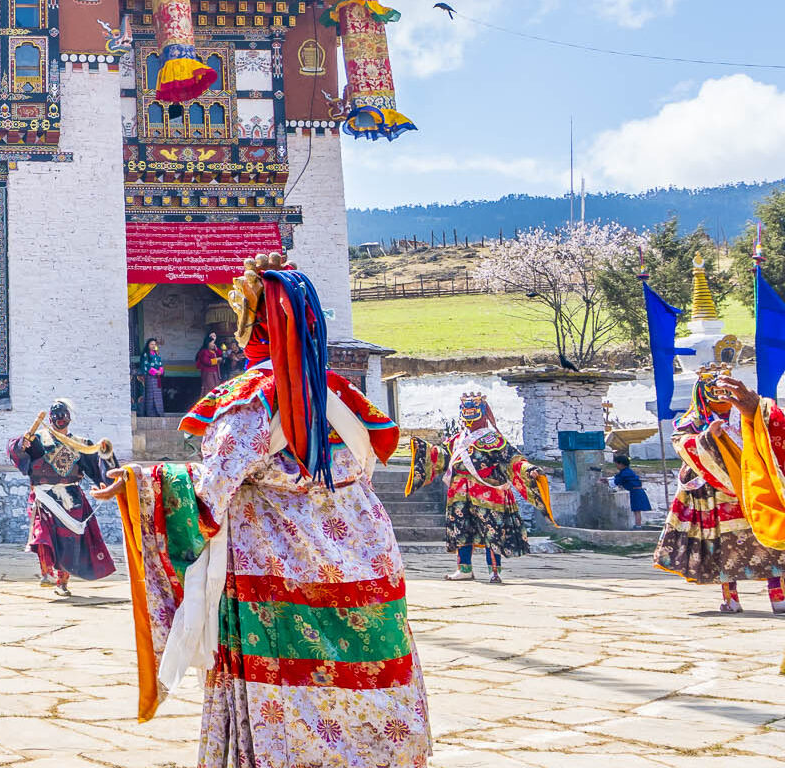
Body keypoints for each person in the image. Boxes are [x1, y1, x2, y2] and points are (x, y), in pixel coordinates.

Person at [98, 252, 427, 767]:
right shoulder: (341, 397)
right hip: (364, 563)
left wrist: (140, 482)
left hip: (278, 571)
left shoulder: (252, 398)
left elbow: (210, 492)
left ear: (253, 323)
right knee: (366, 682)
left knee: (288, 695)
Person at [652, 367, 785, 613]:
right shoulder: (692, 422)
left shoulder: (747, 413)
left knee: (770, 544)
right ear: (703, 394)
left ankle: (778, 597)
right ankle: (731, 599)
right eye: (715, 393)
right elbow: (681, 444)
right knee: (724, 548)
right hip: (714, 496)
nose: (722, 398)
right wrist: (706, 438)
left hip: (752, 488)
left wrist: (754, 414)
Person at [405, 392, 553, 584]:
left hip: (488, 492)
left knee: (492, 530)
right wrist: (424, 449)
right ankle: (464, 569)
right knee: (461, 529)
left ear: (482, 413)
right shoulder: (457, 440)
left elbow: (513, 459)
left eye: (472, 410)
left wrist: (529, 469)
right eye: (465, 410)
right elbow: (442, 456)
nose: (468, 415)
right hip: (459, 492)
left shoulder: (494, 439)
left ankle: (494, 571)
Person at [8, 399, 116, 597]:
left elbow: (97, 465)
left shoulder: (80, 444)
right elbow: (16, 451)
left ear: (69, 419)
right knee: (43, 534)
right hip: (44, 495)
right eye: (56, 416)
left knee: (69, 542)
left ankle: (62, 582)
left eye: (63, 416)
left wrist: (106, 481)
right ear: (50, 418)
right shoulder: (38, 439)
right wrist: (20, 445)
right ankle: (46, 573)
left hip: (70, 497)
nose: (60, 419)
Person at [612, 455, 652, 529]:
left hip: (636, 492)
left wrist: (608, 481)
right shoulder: (626, 471)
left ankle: (638, 526)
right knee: (636, 510)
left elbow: (617, 481)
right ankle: (638, 525)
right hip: (636, 491)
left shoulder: (625, 473)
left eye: (616, 464)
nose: (616, 466)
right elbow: (617, 478)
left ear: (621, 464)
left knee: (637, 510)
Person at [139, 337, 165, 417]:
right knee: (151, 395)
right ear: (148, 345)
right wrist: (155, 372)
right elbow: (146, 365)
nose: (153, 346)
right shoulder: (145, 355)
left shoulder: (157, 355)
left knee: (158, 395)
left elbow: (160, 364)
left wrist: (160, 371)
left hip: (157, 378)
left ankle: (159, 413)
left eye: (154, 344)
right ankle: (150, 413)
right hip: (150, 377)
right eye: (151, 344)